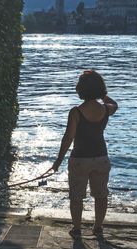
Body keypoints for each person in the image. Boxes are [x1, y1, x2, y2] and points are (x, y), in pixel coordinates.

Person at [51, 70, 118, 239]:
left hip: (80, 159)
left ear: (82, 89)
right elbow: (115, 105)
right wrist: (103, 96)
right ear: (99, 89)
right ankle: (98, 227)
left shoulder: (76, 112)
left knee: (77, 196)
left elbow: (68, 138)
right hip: (101, 158)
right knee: (101, 194)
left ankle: (77, 228)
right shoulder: (105, 109)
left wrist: (58, 161)